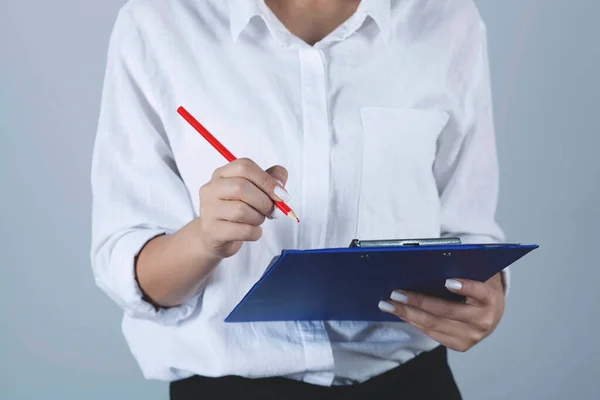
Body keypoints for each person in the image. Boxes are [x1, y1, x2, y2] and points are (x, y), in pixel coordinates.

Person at [90, 0, 509, 398]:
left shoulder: (446, 20)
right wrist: (204, 239)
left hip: (411, 384)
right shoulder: (161, 23)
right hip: (231, 391)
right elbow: (133, 272)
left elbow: (469, 230)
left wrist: (484, 300)